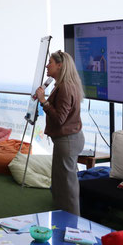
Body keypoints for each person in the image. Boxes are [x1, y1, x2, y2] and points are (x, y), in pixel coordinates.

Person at [35, 50, 85, 216]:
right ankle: (62, 221)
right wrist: (43, 98)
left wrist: (43, 101)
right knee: (60, 185)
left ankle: (73, 225)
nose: (46, 66)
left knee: (67, 188)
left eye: (50, 62)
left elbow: (59, 119)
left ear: (60, 65)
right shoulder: (63, 85)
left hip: (68, 141)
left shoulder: (65, 87)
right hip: (66, 140)